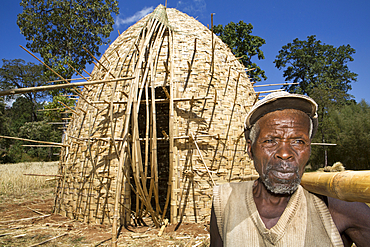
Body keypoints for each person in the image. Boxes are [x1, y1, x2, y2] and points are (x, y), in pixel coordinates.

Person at [210, 92, 370, 247]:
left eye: (298, 141)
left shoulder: (341, 209)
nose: (285, 153)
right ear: (251, 150)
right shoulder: (224, 202)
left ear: (309, 149)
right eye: (270, 141)